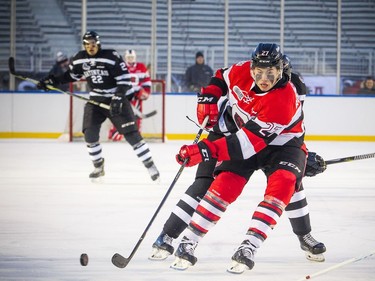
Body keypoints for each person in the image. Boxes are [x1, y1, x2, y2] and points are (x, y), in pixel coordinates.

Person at [149, 52, 327, 265]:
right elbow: (221, 77)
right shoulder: (242, 71)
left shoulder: (287, 95)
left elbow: (263, 136)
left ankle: (303, 236)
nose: (264, 79)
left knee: (288, 182)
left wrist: (301, 157)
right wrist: (210, 96)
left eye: (272, 73)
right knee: (207, 183)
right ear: (252, 69)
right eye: (259, 72)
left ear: (282, 73)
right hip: (230, 133)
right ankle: (168, 235)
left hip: (271, 142)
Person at [37, 31, 160, 181]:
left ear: (98, 44)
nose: (91, 47)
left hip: (116, 99)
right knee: (89, 135)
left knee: (132, 135)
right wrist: (52, 81)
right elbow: (71, 76)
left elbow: (125, 79)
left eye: (93, 44)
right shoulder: (79, 59)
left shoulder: (110, 56)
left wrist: (118, 97)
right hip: (95, 101)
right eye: (87, 44)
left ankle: (150, 166)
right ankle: (98, 166)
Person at [108, 49, 152, 141]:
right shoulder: (121, 67)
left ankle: (136, 135)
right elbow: (114, 80)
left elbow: (147, 82)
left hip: (136, 96)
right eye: (128, 57)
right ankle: (115, 134)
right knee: (118, 114)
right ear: (125, 58)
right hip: (123, 95)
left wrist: (146, 93)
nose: (130, 59)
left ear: (135, 58)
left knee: (136, 116)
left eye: (132, 57)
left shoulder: (142, 67)